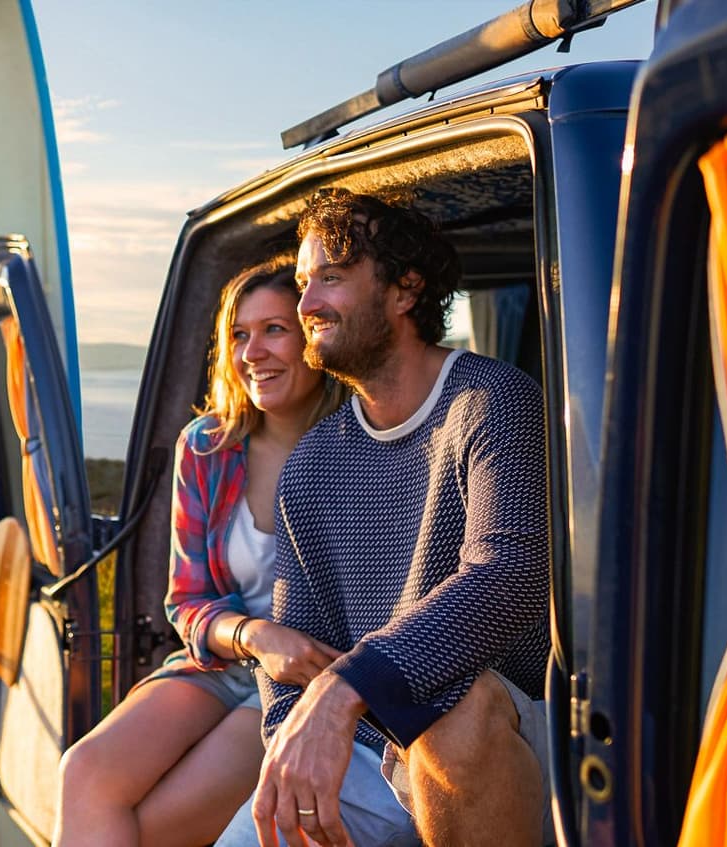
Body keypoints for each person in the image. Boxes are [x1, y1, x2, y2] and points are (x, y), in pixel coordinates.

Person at [213, 188, 552, 847]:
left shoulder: (489, 401)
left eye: (330, 279)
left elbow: (509, 573)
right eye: (305, 283)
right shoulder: (313, 462)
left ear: (405, 290)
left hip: (500, 734)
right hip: (369, 747)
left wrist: (347, 686)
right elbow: (293, 642)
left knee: (454, 712)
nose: (306, 304)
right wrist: (292, 742)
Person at [54, 258, 348, 847]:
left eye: (274, 329)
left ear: (316, 339)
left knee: (153, 826)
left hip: (302, 684)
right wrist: (253, 635)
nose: (252, 352)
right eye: (239, 334)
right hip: (222, 660)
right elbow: (186, 601)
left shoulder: (357, 445)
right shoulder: (208, 447)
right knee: (82, 772)